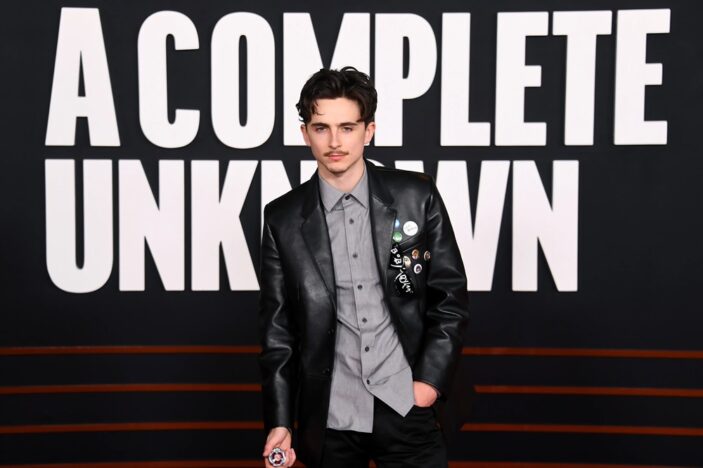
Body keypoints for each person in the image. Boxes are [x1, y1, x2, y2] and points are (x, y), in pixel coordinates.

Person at [258, 66, 469, 467]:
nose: (335, 141)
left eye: (348, 127)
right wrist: (281, 421)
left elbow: (450, 298)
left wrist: (427, 384)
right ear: (305, 134)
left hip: (407, 406)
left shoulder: (416, 196)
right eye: (321, 128)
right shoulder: (281, 219)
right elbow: (277, 331)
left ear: (368, 131)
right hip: (331, 417)